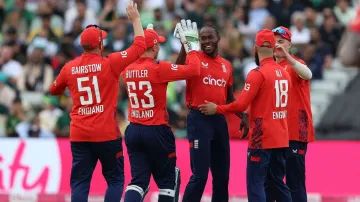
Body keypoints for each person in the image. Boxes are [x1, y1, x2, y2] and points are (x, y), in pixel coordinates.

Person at [49, 2, 146, 202]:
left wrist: (71, 87)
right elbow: (139, 47)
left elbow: (54, 89)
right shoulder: (110, 63)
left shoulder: (69, 67)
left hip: (79, 133)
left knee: (80, 182)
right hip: (106, 133)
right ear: (100, 45)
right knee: (115, 179)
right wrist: (136, 20)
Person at [198, 29, 292, 202]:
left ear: (255, 48)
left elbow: (241, 104)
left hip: (261, 137)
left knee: (255, 183)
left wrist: (216, 109)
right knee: (278, 183)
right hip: (281, 136)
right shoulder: (284, 73)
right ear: (273, 47)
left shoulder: (258, 74)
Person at [122, 21, 201, 202]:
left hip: (133, 129)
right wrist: (192, 45)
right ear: (155, 47)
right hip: (157, 130)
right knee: (168, 182)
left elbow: (145, 60)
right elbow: (194, 69)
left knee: (138, 182)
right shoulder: (159, 69)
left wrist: (147, 36)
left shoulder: (128, 69)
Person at [173, 22, 249, 202]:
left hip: (219, 121)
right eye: (202, 38)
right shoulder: (195, 57)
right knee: (200, 176)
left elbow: (229, 98)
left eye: (210, 38)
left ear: (218, 39)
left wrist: (243, 115)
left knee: (222, 177)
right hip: (199, 121)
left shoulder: (226, 66)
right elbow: (177, 70)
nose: (206, 41)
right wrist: (185, 45)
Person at [272, 26, 314, 202]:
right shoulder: (268, 68)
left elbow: (308, 74)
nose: (277, 45)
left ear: (289, 44)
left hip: (295, 131)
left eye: (281, 42)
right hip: (275, 132)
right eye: (274, 42)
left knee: (295, 182)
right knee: (273, 181)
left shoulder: (296, 64)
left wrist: (288, 58)